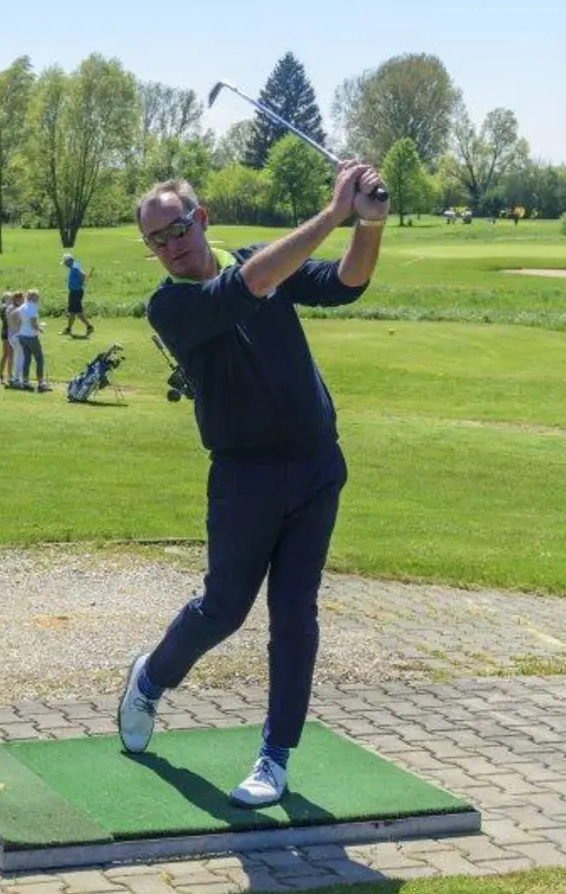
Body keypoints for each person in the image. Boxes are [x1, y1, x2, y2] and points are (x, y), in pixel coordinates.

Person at [118, 161, 388, 808]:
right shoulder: (171, 304)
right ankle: (152, 680)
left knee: (294, 615)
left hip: (318, 467)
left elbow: (347, 282)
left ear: (201, 218)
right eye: (157, 240)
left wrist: (369, 223)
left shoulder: (254, 262)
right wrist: (333, 213)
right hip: (245, 478)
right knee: (224, 610)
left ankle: (275, 756)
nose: (172, 246)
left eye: (178, 228)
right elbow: (246, 288)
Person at [16, 289, 49, 391]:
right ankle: (41, 383)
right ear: (33, 297)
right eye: (37, 297)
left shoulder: (22, 307)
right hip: (31, 336)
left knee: (27, 359)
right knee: (39, 359)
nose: (38, 298)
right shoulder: (33, 307)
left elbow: (19, 322)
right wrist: (40, 329)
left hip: (22, 335)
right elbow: (33, 324)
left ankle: (25, 381)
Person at [61, 252, 94, 337]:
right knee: (72, 311)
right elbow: (83, 277)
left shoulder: (75, 267)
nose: (65, 265)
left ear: (69, 261)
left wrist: (82, 281)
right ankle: (68, 329)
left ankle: (89, 327)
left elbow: (82, 276)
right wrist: (83, 280)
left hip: (76, 292)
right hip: (74, 292)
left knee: (77, 312)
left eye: (65, 263)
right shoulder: (73, 266)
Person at [0, 292, 16, 387]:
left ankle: (1, 374)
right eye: (9, 298)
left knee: (6, 354)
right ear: (4, 299)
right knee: (9, 354)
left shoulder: (8, 307)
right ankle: (9, 376)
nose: (11, 299)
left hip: (6, 332)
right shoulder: (5, 308)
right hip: (7, 333)